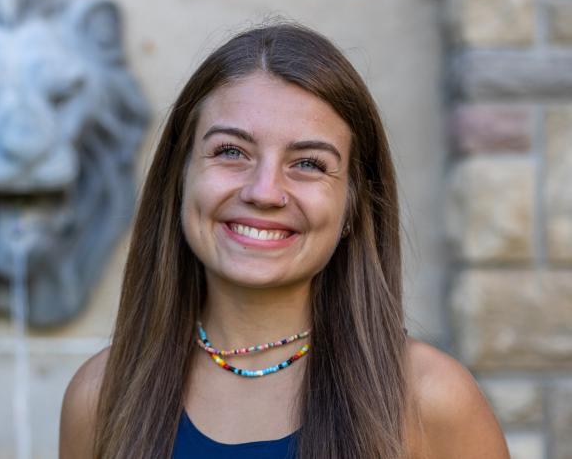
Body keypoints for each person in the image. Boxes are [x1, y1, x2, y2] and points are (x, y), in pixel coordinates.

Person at [59, 23, 509, 459]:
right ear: (179, 178)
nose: (263, 191)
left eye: (309, 163)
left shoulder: (430, 398)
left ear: (353, 203)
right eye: (231, 152)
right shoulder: (100, 396)